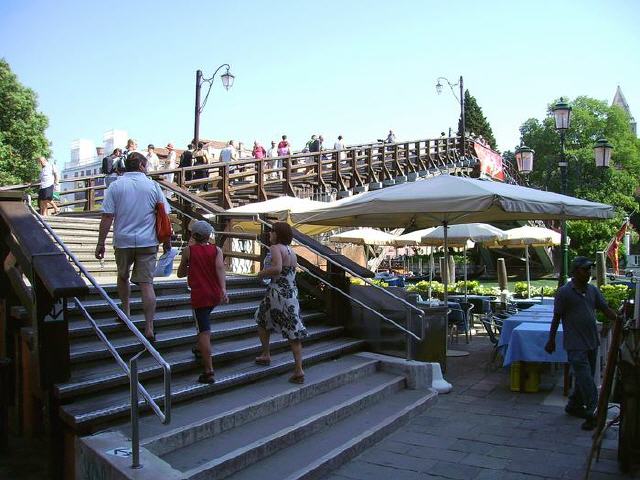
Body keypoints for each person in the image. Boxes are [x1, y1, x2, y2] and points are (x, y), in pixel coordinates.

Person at [95, 152, 171, 343]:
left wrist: (101, 242)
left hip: (123, 240)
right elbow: (164, 215)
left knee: (122, 276)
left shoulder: (116, 186)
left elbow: (107, 217)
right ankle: (149, 327)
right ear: (142, 166)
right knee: (147, 284)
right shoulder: (153, 186)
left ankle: (126, 312)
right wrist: (166, 243)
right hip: (148, 241)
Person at [545, 256, 619, 431]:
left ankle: (574, 405)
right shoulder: (564, 292)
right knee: (586, 379)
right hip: (575, 343)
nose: (588, 272)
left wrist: (620, 318)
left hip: (592, 342)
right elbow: (557, 317)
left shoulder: (592, 290)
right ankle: (594, 412)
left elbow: (605, 309)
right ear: (575, 271)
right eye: (585, 269)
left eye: (590, 269)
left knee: (583, 378)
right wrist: (551, 340)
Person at [254, 222, 308, 384]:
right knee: (293, 330)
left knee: (261, 319)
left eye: (272, 231)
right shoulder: (291, 251)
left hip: (277, 292)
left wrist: (261, 273)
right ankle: (298, 368)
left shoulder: (276, 248)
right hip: (291, 292)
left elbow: (277, 269)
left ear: (277, 234)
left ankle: (266, 354)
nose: (269, 234)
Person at [177, 220, 228, 384]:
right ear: (208, 236)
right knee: (203, 323)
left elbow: (180, 273)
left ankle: (208, 370)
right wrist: (223, 290)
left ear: (193, 235)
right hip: (214, 294)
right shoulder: (217, 250)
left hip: (200, 296)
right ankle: (199, 347)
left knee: (204, 332)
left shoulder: (188, 251)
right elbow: (220, 269)